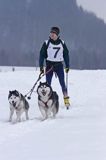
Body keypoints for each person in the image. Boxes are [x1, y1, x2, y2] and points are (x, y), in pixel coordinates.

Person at [39, 26, 70, 107]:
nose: (52, 34)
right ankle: (48, 100)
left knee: (62, 83)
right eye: (51, 33)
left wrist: (67, 66)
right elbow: (41, 55)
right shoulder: (46, 43)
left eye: (54, 33)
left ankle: (66, 99)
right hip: (49, 65)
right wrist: (41, 67)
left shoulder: (62, 43)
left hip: (59, 66)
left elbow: (66, 55)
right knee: (48, 84)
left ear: (57, 35)